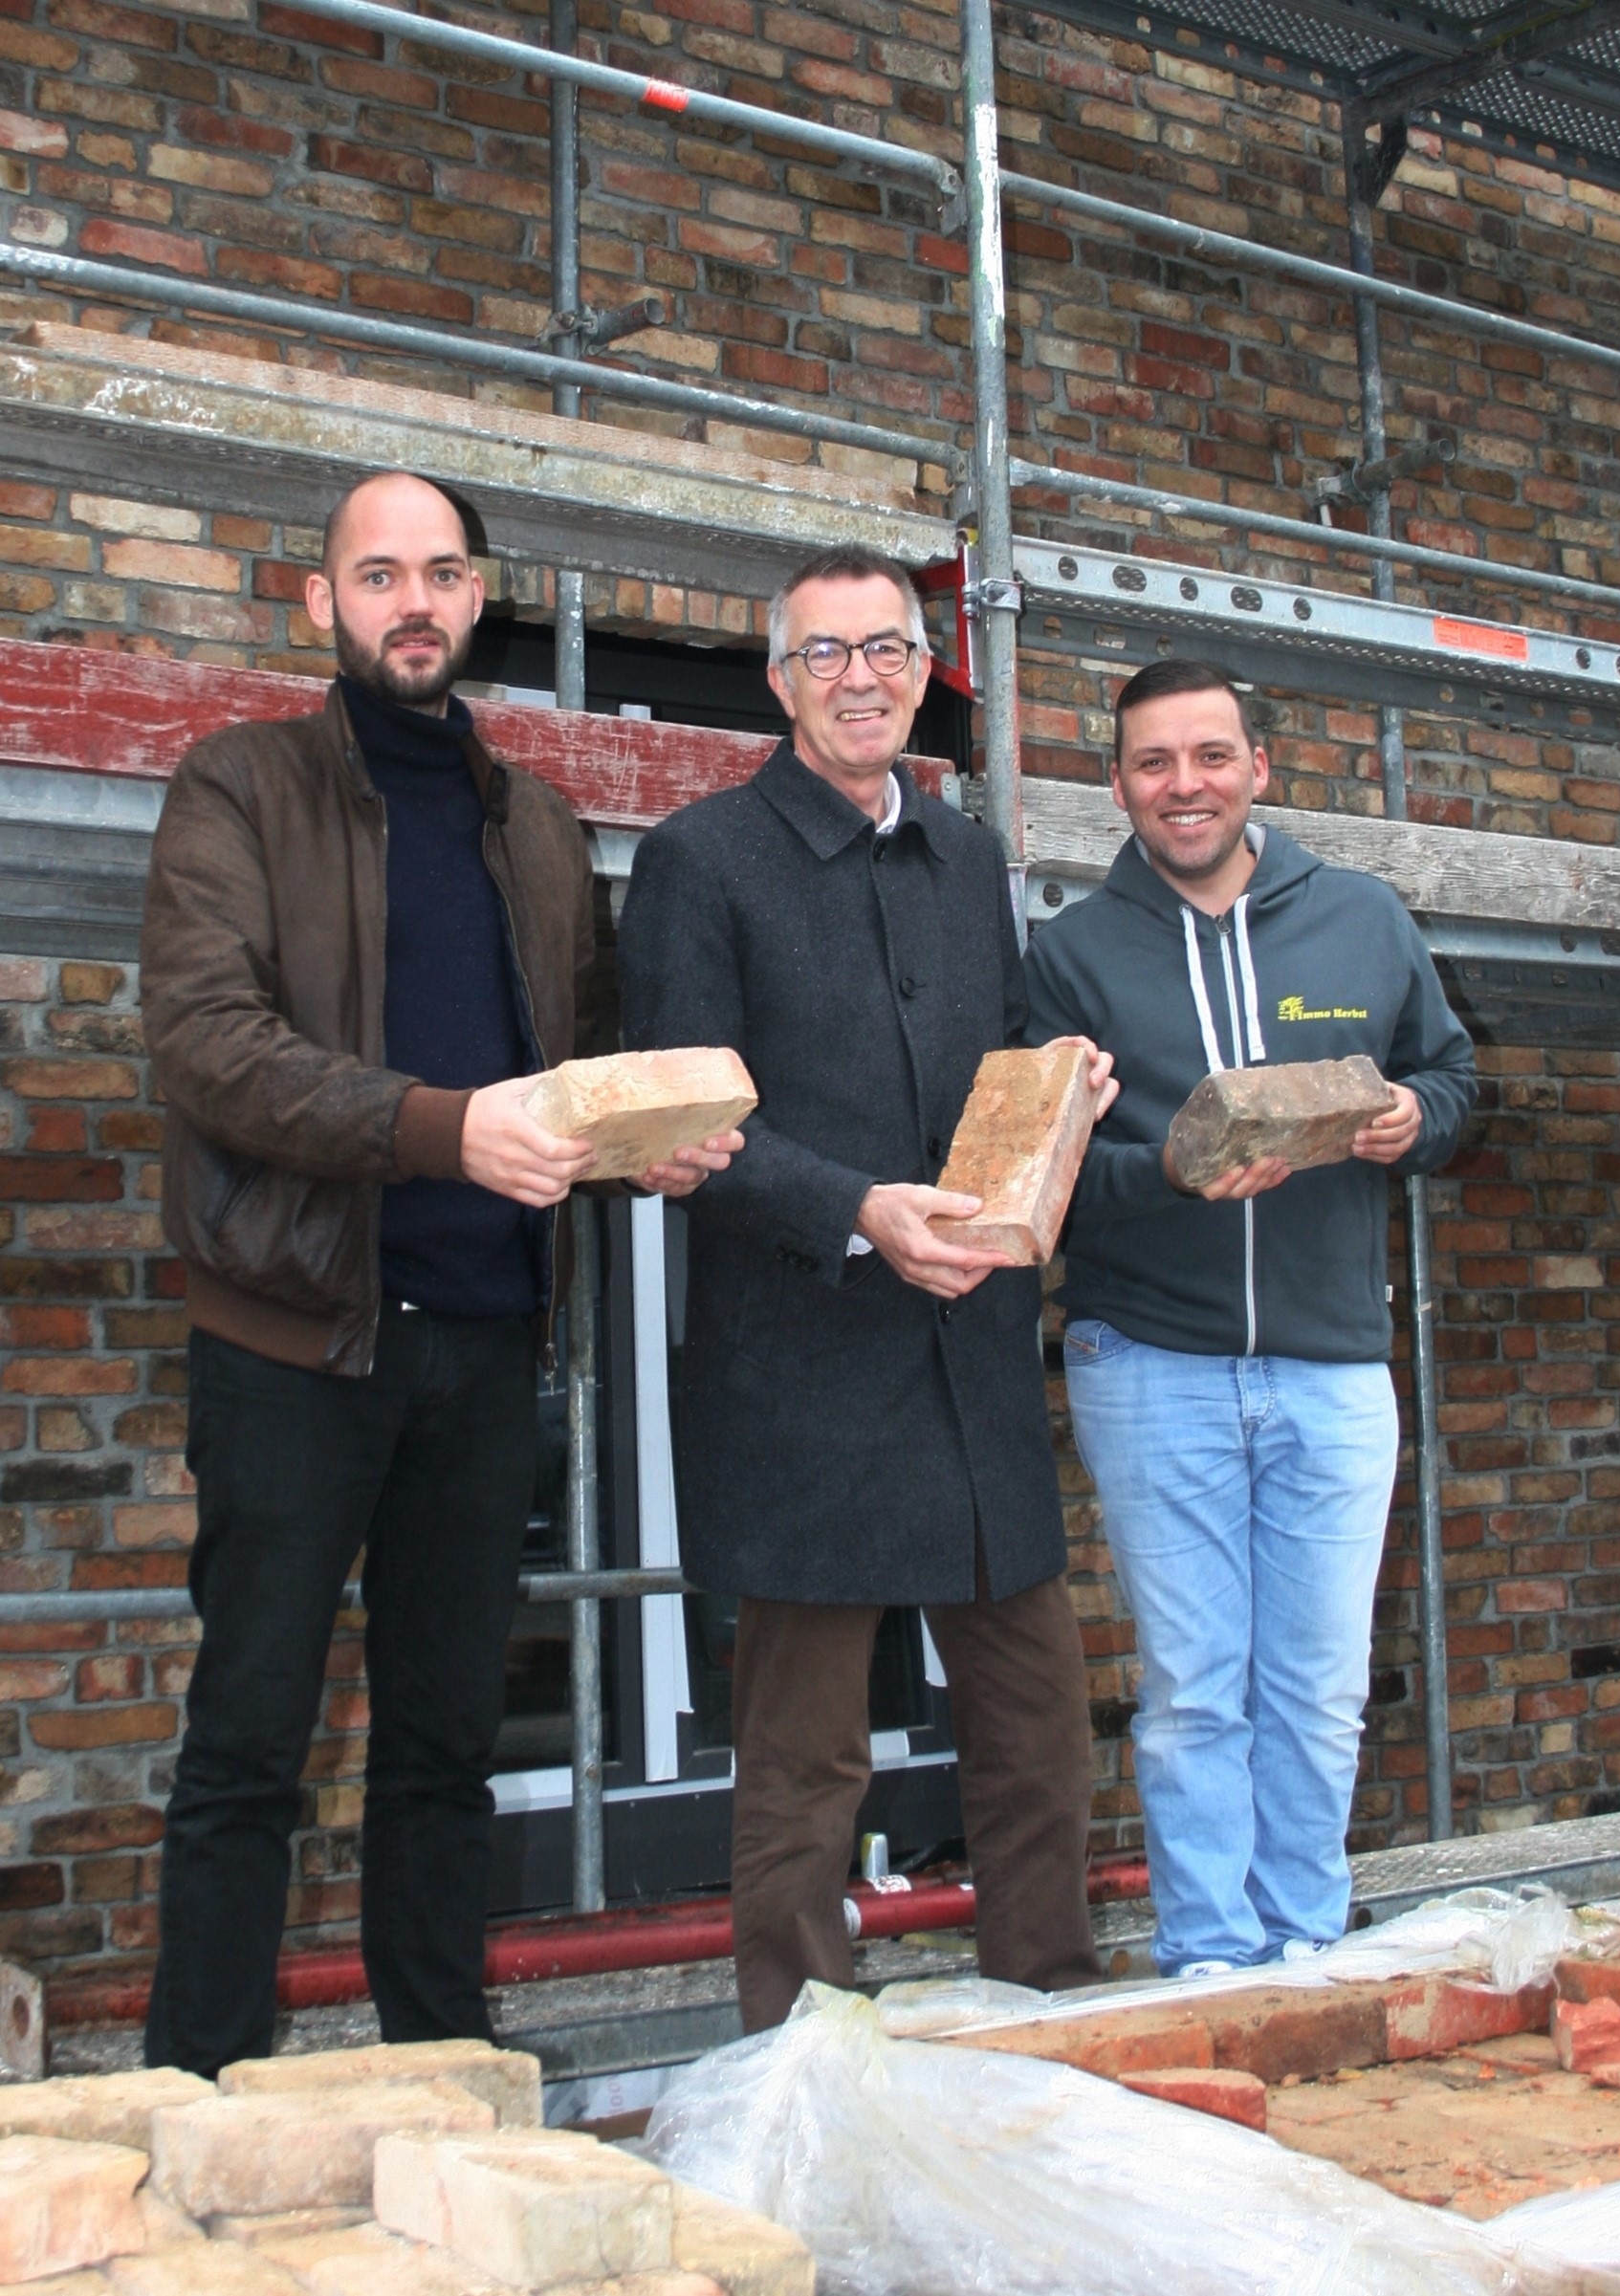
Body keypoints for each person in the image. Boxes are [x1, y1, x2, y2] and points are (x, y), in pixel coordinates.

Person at [140, 470, 738, 2074]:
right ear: (320, 602)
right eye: (379, 572)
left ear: (481, 601)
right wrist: (440, 1130)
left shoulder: (533, 823)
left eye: (443, 572)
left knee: (441, 1748)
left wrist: (641, 1137)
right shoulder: (236, 786)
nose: (415, 600)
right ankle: (194, 2091)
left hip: (482, 1345)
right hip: (293, 1341)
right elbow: (209, 1050)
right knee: (249, 1743)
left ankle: (439, 2074)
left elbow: (577, 1063)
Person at [617, 542, 1116, 2031]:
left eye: (885, 649)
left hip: (966, 1350)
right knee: (805, 1757)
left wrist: (1063, 1092)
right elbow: (686, 1122)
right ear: (778, 682)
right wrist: (854, 1211)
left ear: (922, 671)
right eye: (823, 654)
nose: (858, 678)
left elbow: (1006, 1059)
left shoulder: (965, 859)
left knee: (1033, 1731)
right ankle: (797, 2057)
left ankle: (1049, 2016)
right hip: (801, 1363)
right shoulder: (699, 859)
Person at [1024, 657, 1478, 1979]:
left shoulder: (1359, 919)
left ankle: (1306, 1949)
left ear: (1258, 769)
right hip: (1149, 1361)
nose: (1184, 785)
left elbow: (1448, 1078)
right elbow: (1043, 1174)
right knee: (1193, 1694)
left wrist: (1410, 1119)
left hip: (1334, 1366)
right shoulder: (1070, 955)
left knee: (1318, 1692)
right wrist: (1160, 1167)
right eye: (1152, 763)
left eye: (1209, 756)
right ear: (1116, 786)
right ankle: (1214, 1960)